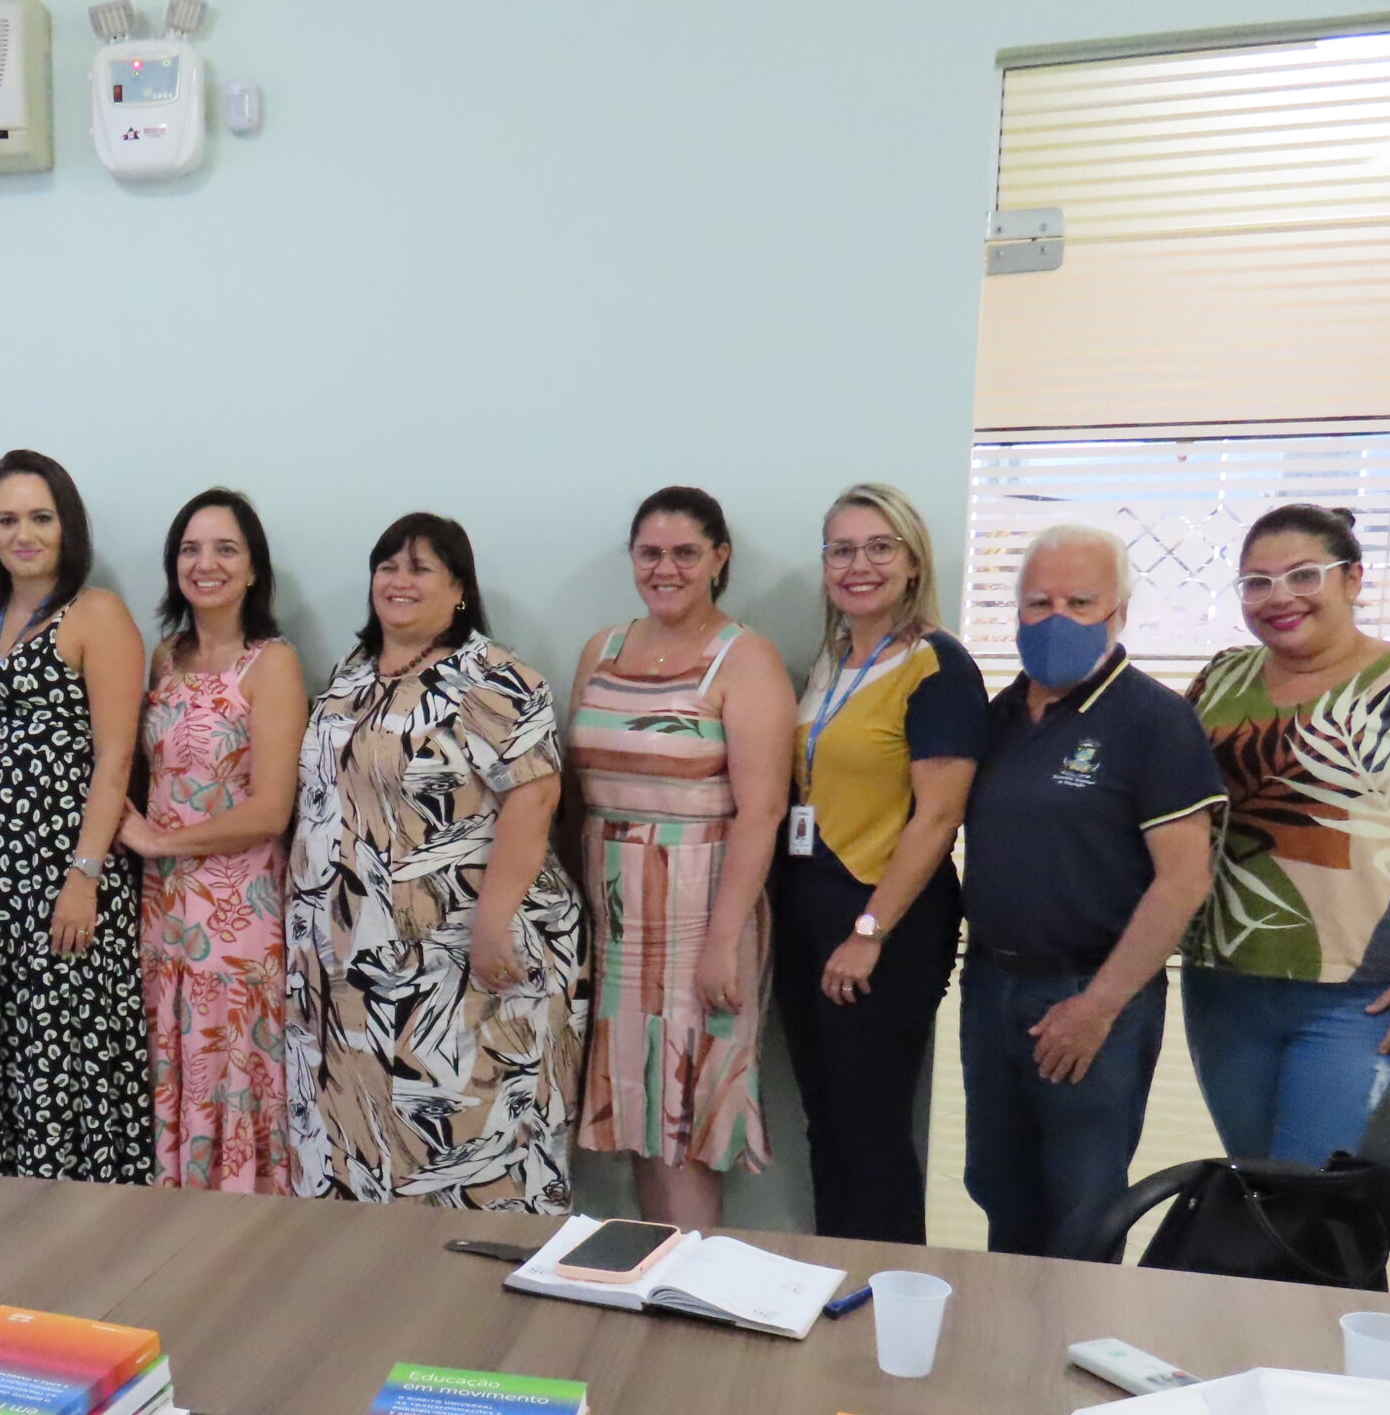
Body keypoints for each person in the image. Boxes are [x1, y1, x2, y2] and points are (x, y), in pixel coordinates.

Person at [286, 513, 586, 1212]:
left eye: (420, 568)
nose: (398, 580)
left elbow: (535, 798)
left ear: (459, 589)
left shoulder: (493, 678)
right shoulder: (349, 678)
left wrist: (493, 922)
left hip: (463, 965)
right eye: (387, 565)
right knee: (364, 1146)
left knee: (472, 1143)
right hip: (351, 971)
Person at [1184, 503, 1390, 1164]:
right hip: (1225, 983)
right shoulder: (1220, 679)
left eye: (1303, 575)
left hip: (1364, 996)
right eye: (1257, 582)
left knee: (1321, 1202)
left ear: (1352, 579)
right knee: (1259, 1192)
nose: (1280, 597)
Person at [960, 525, 1223, 1261]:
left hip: (1093, 992)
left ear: (1121, 611)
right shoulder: (1001, 715)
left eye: (1081, 601)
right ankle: (1005, 1354)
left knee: (1083, 1206)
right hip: (991, 983)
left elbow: (1184, 879)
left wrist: (1098, 1006)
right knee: (998, 1189)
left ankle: (1072, 1360)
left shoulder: (1154, 721)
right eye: (1037, 601)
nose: (1056, 619)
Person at [563, 487, 793, 1229]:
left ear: (718, 559)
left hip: (701, 908)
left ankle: (686, 1292)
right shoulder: (600, 649)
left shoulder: (746, 659)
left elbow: (762, 810)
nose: (666, 569)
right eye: (651, 553)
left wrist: (725, 941)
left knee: (685, 1120)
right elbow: (575, 788)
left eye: (685, 553)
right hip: (613, 909)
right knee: (633, 1106)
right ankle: (646, 1283)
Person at [770, 483, 987, 1245]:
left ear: (912, 559)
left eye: (878, 547)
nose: (858, 565)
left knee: (871, 1130)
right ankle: (832, 1289)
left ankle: (885, 1297)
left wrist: (869, 929)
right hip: (809, 911)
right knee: (824, 1124)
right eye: (841, 549)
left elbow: (938, 816)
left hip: (884, 922)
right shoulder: (832, 663)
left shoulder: (938, 667)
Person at [0, 449, 153, 1183]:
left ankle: (75, 1210)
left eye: (39, 516)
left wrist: (84, 876)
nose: (22, 533)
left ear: (67, 526)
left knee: (63, 1038)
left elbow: (115, 757)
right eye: (7, 519)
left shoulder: (97, 613)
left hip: (66, 863)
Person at [119, 488, 306, 1194]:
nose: (206, 563)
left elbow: (271, 808)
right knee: (174, 1066)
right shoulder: (166, 656)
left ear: (253, 568)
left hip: (237, 915)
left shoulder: (272, 664)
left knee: (227, 1076)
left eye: (225, 549)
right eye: (191, 549)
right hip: (164, 913)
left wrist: (165, 843)